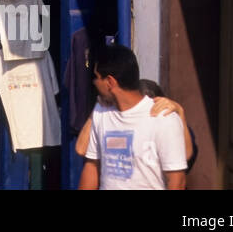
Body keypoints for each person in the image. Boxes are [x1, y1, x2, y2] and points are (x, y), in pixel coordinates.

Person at [79, 45, 187, 190]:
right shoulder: (101, 111)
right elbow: (91, 166)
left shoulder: (163, 118)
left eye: (96, 77)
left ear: (110, 82)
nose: (94, 82)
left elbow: (177, 180)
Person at [75, 78, 197, 173]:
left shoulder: (168, 125)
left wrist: (180, 112)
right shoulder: (121, 128)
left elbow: (185, 156)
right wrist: (98, 109)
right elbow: (82, 149)